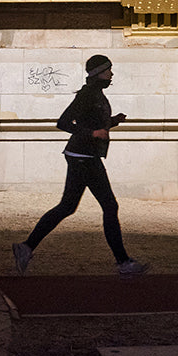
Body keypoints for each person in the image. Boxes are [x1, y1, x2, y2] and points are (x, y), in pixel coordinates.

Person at [12, 54, 149, 276]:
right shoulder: (88, 95)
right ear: (98, 73)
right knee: (109, 206)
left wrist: (113, 121)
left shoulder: (95, 94)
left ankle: (26, 247)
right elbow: (63, 122)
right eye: (108, 70)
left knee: (68, 206)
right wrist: (93, 133)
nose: (111, 74)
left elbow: (91, 121)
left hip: (83, 156)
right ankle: (123, 262)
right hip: (83, 157)